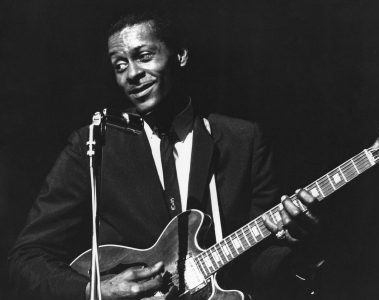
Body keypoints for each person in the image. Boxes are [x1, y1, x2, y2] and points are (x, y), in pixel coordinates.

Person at [8, 5, 320, 300]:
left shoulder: (242, 139)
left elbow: (261, 262)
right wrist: (98, 290)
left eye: (143, 56)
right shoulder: (94, 144)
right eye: (120, 65)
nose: (132, 74)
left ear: (180, 55)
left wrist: (295, 239)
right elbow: (27, 259)